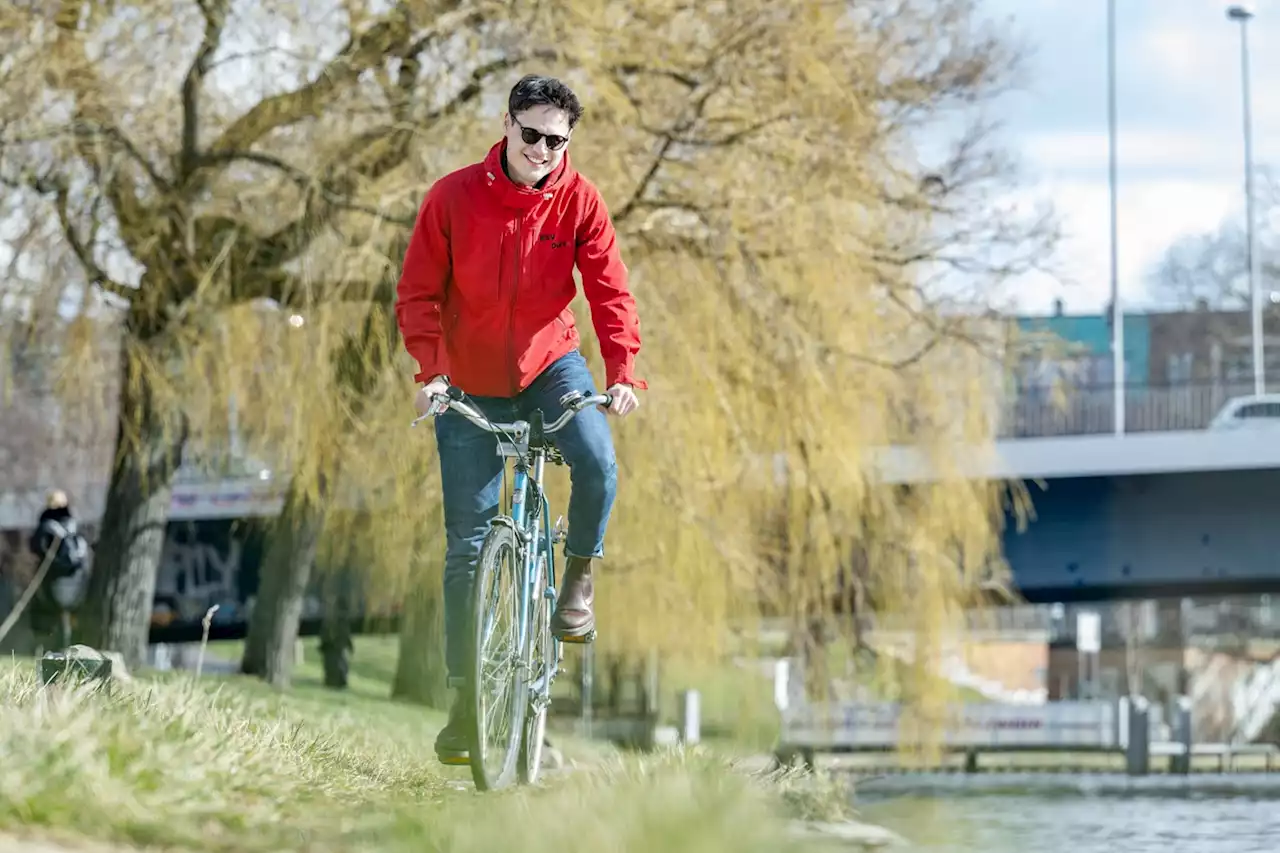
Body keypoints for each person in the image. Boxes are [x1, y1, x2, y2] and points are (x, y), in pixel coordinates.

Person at [394, 74, 645, 763]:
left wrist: (623, 372)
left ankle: (577, 581)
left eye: (556, 140)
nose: (542, 150)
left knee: (597, 461)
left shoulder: (580, 200)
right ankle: (467, 702)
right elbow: (417, 293)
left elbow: (609, 290)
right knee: (467, 545)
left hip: (549, 365)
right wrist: (432, 371)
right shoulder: (452, 198)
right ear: (507, 125)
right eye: (531, 134)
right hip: (467, 379)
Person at [26, 489, 91, 649]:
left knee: (46, 616)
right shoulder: (74, 527)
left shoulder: (47, 526)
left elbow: (36, 547)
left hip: (51, 580)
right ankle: (65, 647)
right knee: (64, 617)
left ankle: (44, 648)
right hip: (74, 581)